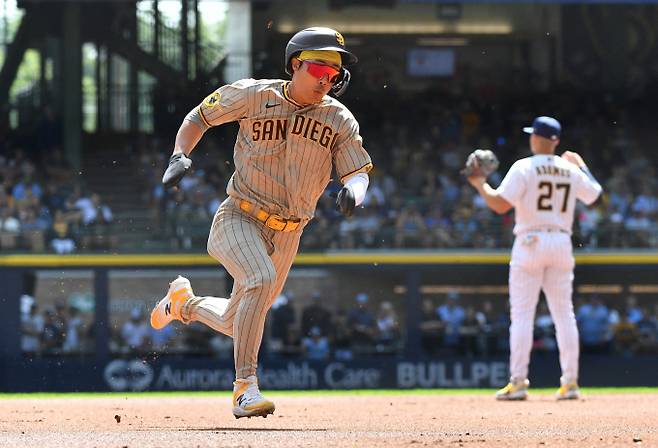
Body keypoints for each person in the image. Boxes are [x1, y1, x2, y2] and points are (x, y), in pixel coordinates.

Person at [149, 27, 372, 418]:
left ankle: (184, 304)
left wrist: (355, 191)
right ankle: (244, 388)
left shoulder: (338, 118)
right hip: (239, 216)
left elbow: (359, 171)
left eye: (334, 73)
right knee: (261, 280)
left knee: (239, 321)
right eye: (320, 67)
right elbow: (199, 116)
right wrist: (179, 154)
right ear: (295, 65)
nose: (327, 78)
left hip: (290, 233)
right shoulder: (254, 93)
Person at [465, 116, 602, 400]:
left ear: (536, 138)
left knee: (523, 316)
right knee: (564, 314)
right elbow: (598, 199)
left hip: (529, 241)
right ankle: (571, 382)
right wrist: (582, 167)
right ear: (556, 141)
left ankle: (518, 382)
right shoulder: (570, 169)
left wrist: (480, 184)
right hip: (562, 240)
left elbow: (500, 205)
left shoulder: (524, 166)